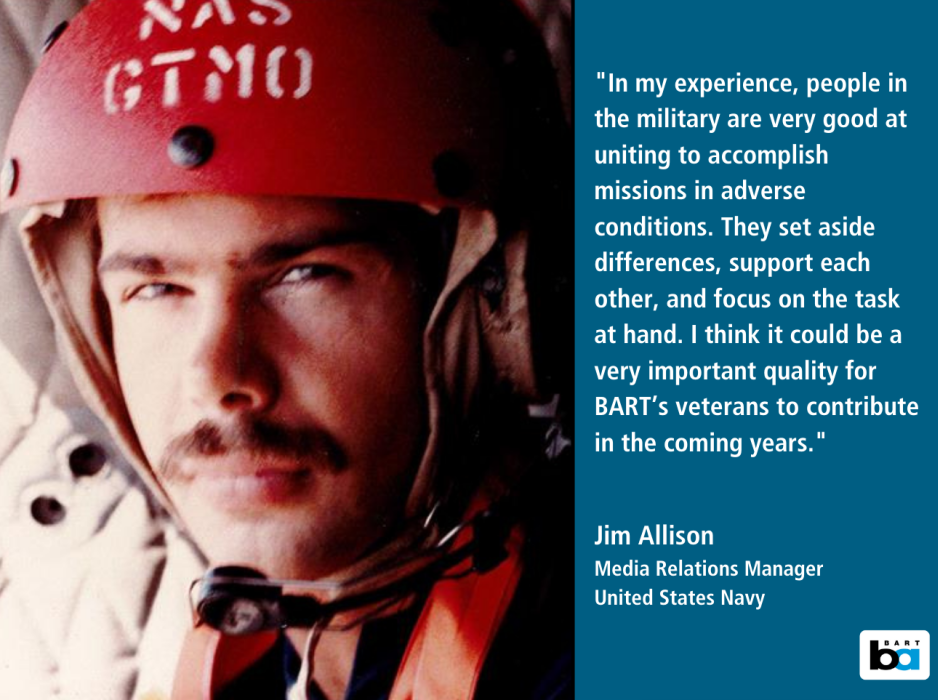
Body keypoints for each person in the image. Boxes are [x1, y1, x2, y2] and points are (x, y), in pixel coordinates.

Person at [0, 1, 573, 698]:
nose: (219, 377)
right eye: (157, 289)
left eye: (304, 276)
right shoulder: (251, 657)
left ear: (491, 311)